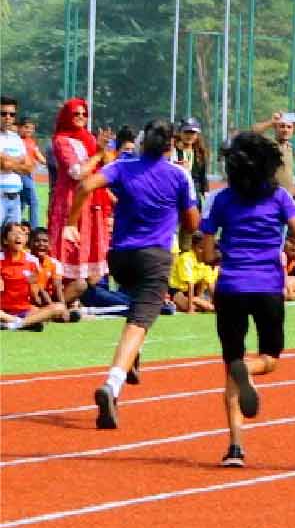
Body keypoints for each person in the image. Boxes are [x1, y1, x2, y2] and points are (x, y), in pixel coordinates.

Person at [64, 119, 199, 426]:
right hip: (155, 257)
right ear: (170, 145)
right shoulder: (179, 174)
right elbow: (192, 223)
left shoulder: (123, 166)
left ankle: (133, 357)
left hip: (121, 258)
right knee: (140, 321)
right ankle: (112, 385)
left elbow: (84, 185)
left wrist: (71, 223)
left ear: (142, 142)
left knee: (138, 309)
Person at [198, 131, 295, 467]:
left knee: (230, 364)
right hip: (267, 288)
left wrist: (223, 254)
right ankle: (249, 369)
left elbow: (207, 252)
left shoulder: (222, 200)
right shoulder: (280, 198)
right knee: (270, 358)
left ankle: (235, 447)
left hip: (230, 288)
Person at [48, 98, 112, 297]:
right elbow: (77, 172)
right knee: (68, 248)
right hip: (70, 202)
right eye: (76, 114)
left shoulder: (89, 138)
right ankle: (61, 298)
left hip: (93, 202)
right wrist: (98, 154)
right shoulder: (61, 140)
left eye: (84, 114)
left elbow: (105, 166)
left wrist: (103, 150)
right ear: (67, 116)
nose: (81, 117)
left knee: (91, 261)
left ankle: (81, 297)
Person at [1, 221, 70, 330]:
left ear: (25, 239)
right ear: (5, 240)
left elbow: (35, 294)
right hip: (3, 310)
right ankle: (21, 322)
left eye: (21, 234)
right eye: (14, 234)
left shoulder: (32, 261)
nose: (18, 236)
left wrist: (33, 286)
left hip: (24, 310)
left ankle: (16, 324)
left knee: (59, 308)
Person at [170, 229, 218, 312]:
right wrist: (190, 309)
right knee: (197, 306)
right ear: (193, 247)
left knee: (200, 301)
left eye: (205, 248)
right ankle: (197, 303)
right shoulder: (186, 258)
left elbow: (210, 285)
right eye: (200, 248)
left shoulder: (205, 260)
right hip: (175, 290)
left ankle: (194, 302)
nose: (203, 251)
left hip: (191, 293)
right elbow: (190, 284)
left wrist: (217, 303)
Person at [0, 96, 29, 226]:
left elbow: (29, 167)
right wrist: (18, 162)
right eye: (3, 114)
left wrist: (9, 162)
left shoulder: (16, 138)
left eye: (12, 114)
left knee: (14, 237)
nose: (8, 117)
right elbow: (3, 164)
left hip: (15, 198)